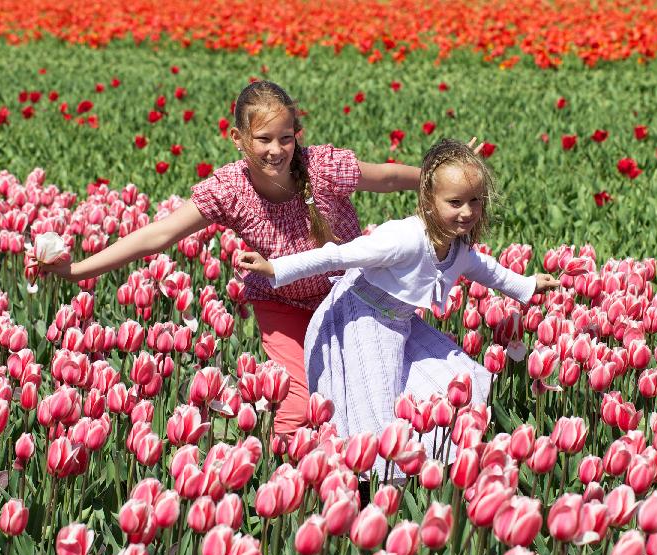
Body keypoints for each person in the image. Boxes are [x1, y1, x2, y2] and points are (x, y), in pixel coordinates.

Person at [42, 80, 422, 438]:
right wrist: (77, 271)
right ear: (238, 139)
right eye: (264, 139)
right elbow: (158, 235)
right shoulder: (230, 190)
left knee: (369, 395)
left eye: (286, 138)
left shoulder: (322, 168)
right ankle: (293, 489)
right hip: (282, 304)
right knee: (296, 407)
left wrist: (442, 178)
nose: (276, 150)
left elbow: (386, 178)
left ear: (297, 136)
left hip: (349, 298)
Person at [237, 138, 560, 473]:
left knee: (458, 379)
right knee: (376, 411)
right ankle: (371, 482)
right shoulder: (403, 238)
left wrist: (527, 284)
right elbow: (337, 254)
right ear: (429, 200)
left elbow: (487, 270)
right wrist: (276, 268)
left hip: (400, 324)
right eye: (455, 202)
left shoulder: (457, 247)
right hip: (359, 321)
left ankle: (431, 465)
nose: (467, 212)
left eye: (475, 201)